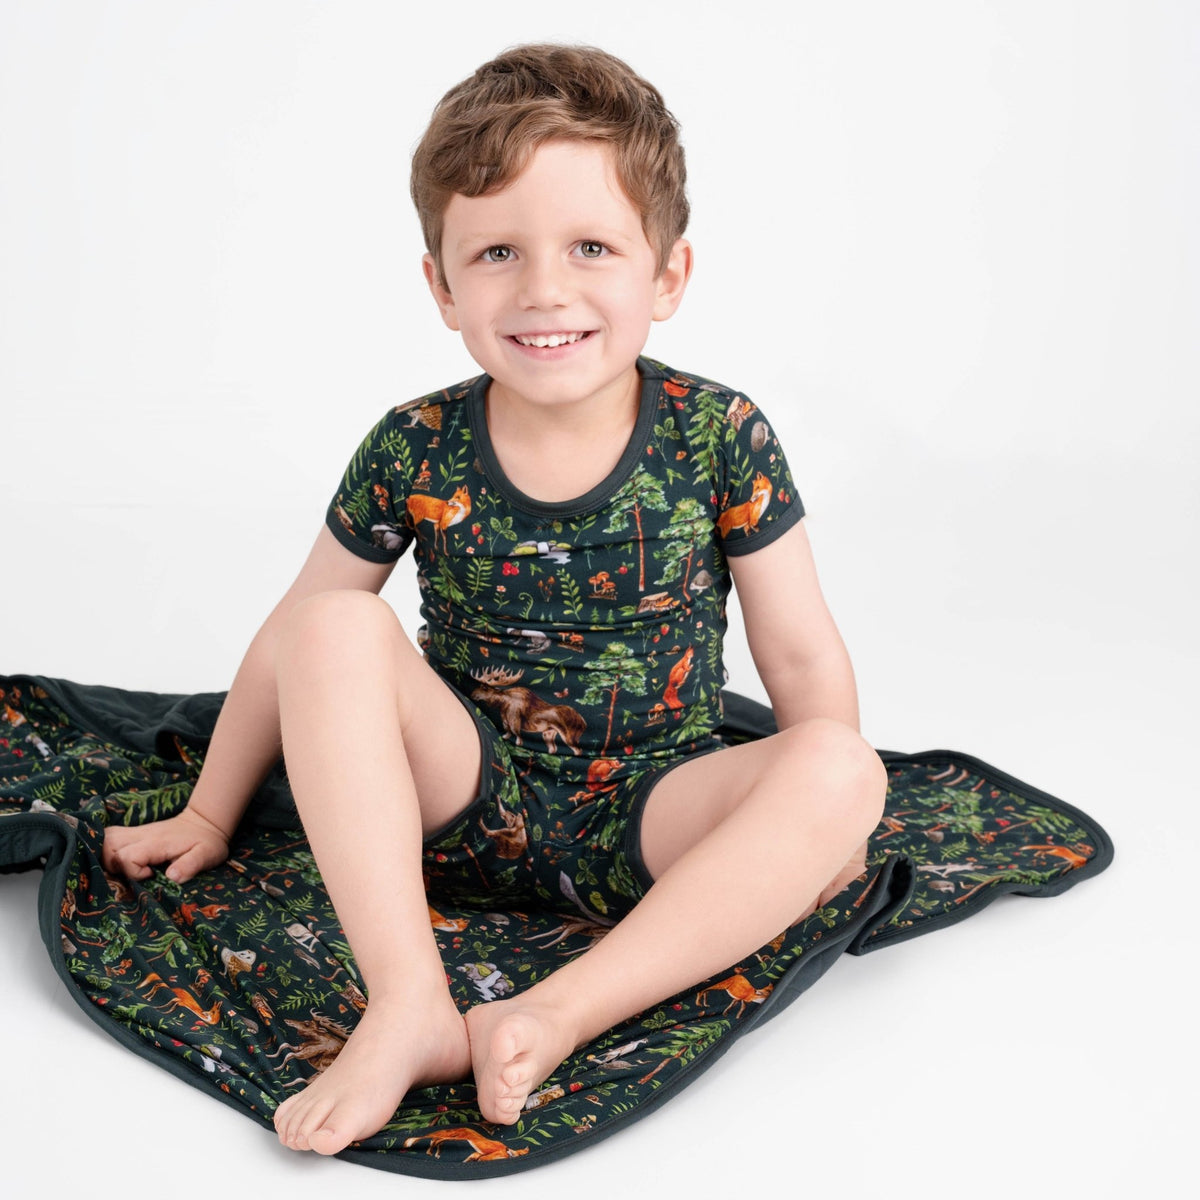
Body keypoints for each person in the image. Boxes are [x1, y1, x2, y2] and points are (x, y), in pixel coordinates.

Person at [100, 43, 887, 1157]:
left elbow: (801, 659)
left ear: (668, 274)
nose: (545, 290)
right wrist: (213, 813)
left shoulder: (720, 435)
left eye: (593, 248)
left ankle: (557, 1012)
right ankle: (409, 996)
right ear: (442, 284)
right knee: (333, 619)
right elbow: (299, 643)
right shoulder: (415, 443)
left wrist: (820, 830)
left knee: (846, 766)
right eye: (499, 252)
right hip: (456, 795)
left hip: (654, 817)